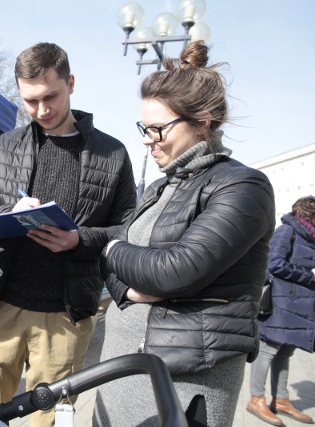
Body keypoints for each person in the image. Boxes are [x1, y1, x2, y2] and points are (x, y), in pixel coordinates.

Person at [92, 41, 276, 427]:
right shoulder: (161, 187)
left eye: (158, 128)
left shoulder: (242, 187)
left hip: (185, 383)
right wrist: (128, 286)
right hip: (121, 369)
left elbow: (175, 270)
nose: (147, 139)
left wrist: (111, 248)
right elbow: (123, 266)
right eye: (144, 127)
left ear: (203, 120)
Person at [0, 42, 136, 427]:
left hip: (66, 316)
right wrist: (11, 211)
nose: (42, 110)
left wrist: (81, 241)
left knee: (49, 421)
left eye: (50, 97)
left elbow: (128, 229)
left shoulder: (114, 154)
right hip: (0, 305)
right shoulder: (6, 146)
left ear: (71, 83)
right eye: (30, 101)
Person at [247, 196, 315, 426]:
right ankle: (256, 398)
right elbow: (274, 262)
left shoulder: (310, 236)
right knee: (268, 350)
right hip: (280, 301)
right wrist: (310, 275)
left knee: (286, 352)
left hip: (298, 304)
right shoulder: (288, 230)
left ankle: (282, 399)